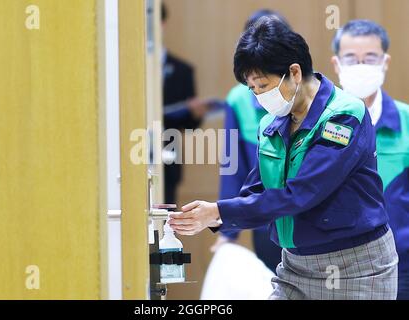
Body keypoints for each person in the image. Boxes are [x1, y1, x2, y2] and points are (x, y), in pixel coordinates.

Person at [169, 16, 399, 300]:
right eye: (251, 89)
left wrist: (218, 212)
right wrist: (211, 215)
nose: (258, 97)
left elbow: (301, 193)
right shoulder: (272, 123)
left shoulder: (343, 116)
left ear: (294, 72)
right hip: (294, 265)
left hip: (354, 268)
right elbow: (261, 187)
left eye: (263, 85)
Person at [331, 19, 409, 300]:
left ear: (385, 62)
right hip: (333, 268)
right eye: (351, 58)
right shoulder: (316, 124)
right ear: (337, 64)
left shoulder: (406, 121)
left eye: (370, 58)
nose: (361, 66)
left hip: (401, 266)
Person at [213, 9, 291, 272]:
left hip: (311, 218)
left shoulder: (311, 91)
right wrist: (228, 230)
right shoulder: (238, 100)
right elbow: (232, 169)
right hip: (266, 220)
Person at [161, 3, 210, 204]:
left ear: (162, 24)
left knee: (165, 217)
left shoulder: (183, 70)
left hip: (168, 151)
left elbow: (190, 125)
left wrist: (196, 114)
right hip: (135, 146)